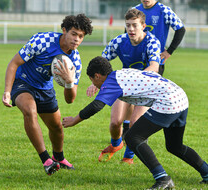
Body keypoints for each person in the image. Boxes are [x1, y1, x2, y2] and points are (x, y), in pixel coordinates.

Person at [62, 56, 208, 189]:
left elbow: (96, 106)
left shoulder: (111, 82)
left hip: (168, 101)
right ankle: (206, 172)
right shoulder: (121, 73)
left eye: (92, 80)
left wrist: (74, 120)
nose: (94, 84)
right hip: (180, 96)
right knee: (174, 145)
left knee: (132, 137)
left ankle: (163, 178)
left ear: (97, 76)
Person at [2, 14, 93, 175]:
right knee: (30, 111)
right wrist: (7, 92)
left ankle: (59, 157)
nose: (76, 39)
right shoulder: (42, 41)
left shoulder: (75, 61)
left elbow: (70, 99)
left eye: (81, 36)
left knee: (56, 127)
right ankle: (46, 160)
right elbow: (14, 63)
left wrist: (69, 81)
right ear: (64, 30)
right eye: (73, 34)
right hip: (22, 81)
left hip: (44, 88)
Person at [87, 9, 161, 164]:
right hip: (125, 84)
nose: (131, 29)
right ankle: (116, 144)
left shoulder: (152, 42)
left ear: (143, 26)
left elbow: (154, 67)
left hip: (146, 86)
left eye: (134, 25)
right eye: (128, 25)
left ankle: (129, 157)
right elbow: (102, 62)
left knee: (135, 124)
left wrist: (135, 80)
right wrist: (95, 81)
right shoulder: (119, 41)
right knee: (115, 122)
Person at [134, 0, 186, 75]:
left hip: (155, 59)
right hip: (136, 59)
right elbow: (127, 33)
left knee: (152, 86)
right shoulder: (134, 10)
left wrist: (169, 51)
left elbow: (180, 29)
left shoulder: (164, 10)